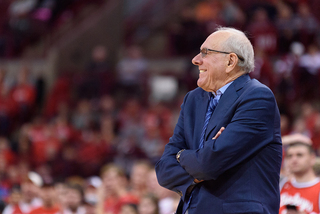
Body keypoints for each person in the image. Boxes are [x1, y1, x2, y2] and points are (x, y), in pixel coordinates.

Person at [155, 26, 282, 214]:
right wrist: (203, 158)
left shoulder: (257, 97)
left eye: (205, 53)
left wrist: (182, 155)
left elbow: (208, 164)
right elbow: (164, 169)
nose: (196, 60)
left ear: (231, 61)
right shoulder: (193, 99)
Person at [279, 138, 320, 214]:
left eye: (299, 155)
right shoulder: (282, 183)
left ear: (312, 158)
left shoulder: (318, 188)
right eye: (289, 156)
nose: (294, 159)